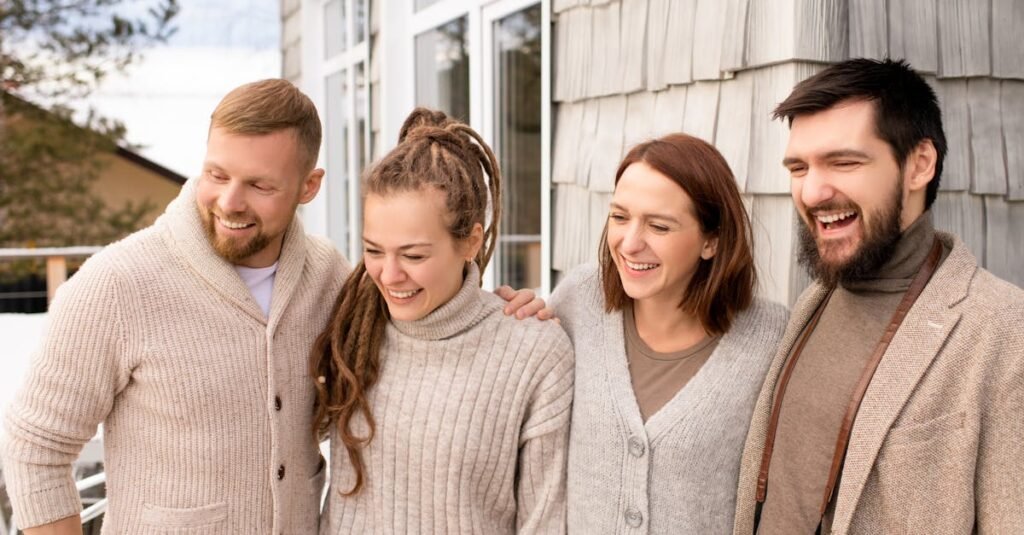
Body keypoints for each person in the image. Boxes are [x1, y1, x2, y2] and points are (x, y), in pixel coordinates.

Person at [2, 82, 544, 534]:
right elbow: (35, 448)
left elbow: (421, 302)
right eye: (217, 174)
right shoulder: (118, 285)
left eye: (260, 185)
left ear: (309, 186)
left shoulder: (330, 278)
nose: (230, 202)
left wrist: (498, 312)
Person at [733, 58, 1024, 534]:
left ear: (919, 165)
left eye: (844, 162)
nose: (812, 191)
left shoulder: (1003, 331)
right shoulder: (814, 304)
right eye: (798, 167)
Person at [311, 108, 574, 534]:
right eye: (374, 250)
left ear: (471, 241)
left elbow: (544, 521)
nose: (390, 275)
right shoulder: (349, 329)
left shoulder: (534, 353)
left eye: (413, 255)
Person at [547, 133, 788, 533]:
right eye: (620, 217)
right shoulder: (577, 301)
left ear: (711, 241)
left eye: (659, 226)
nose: (630, 242)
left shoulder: (770, 339)